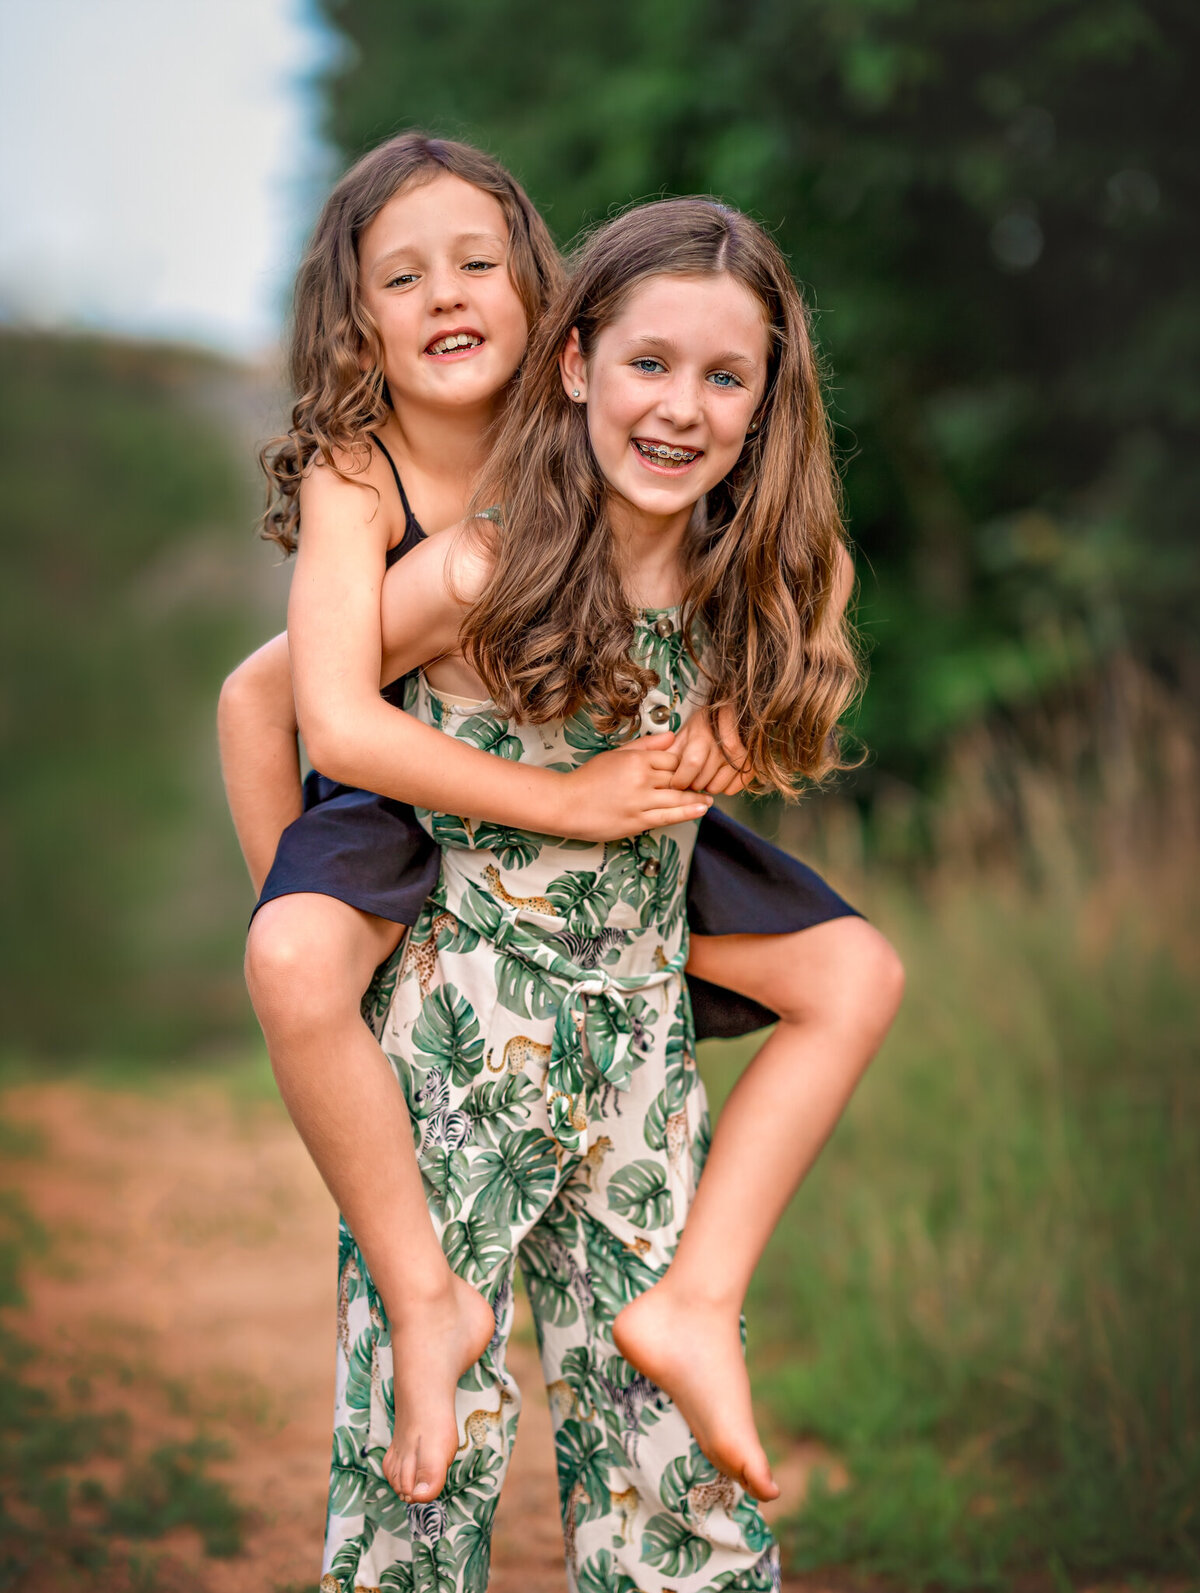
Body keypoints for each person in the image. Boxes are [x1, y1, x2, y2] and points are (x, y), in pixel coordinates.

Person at [218, 136, 903, 1515]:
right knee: (297, 960)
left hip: (614, 847)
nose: (447, 294)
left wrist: (723, 734)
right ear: (356, 315)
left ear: (546, 304)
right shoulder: (380, 480)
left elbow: (775, 590)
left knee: (854, 973)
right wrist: (314, 914)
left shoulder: (622, 454)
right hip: (413, 795)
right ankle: (426, 1297)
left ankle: (696, 1301)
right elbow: (275, 701)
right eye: (402, 276)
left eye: (478, 262)